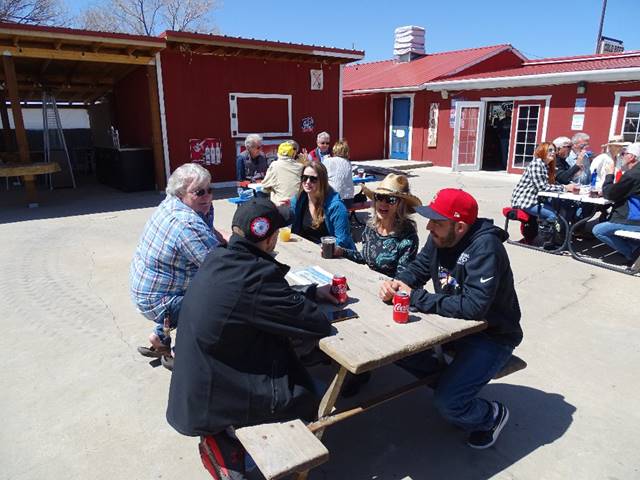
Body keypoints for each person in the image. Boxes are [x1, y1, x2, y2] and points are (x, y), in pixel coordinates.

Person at [166, 197, 337, 479]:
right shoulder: (257, 275)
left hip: (197, 384)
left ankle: (227, 437)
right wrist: (308, 300)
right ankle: (234, 448)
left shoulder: (219, 257)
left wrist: (309, 292)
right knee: (313, 395)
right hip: (215, 395)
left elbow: (260, 302)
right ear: (269, 240)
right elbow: (315, 322)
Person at [379, 188, 523, 449]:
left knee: (448, 403)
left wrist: (416, 298)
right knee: (394, 350)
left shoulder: (486, 248)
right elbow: (420, 267)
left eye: (437, 222)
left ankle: (489, 416)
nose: (429, 227)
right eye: (430, 219)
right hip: (454, 327)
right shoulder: (439, 237)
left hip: (492, 335)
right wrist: (398, 284)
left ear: (459, 227)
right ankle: (453, 380)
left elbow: (474, 307)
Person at [130, 163, 226, 367]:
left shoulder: (176, 203)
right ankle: (180, 354)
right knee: (219, 297)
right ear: (180, 193)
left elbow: (209, 233)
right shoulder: (186, 224)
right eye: (200, 192)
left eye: (210, 190)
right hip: (158, 299)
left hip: (151, 289)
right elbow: (221, 268)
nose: (208, 196)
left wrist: (225, 239)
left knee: (196, 282)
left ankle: (159, 338)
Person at [336, 173, 421, 277]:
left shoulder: (408, 236)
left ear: (400, 205)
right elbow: (364, 256)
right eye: (379, 197)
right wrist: (341, 251)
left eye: (391, 200)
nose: (383, 203)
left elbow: (402, 279)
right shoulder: (371, 226)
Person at [593, 142, 640, 269]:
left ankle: (633, 254)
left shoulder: (633, 175)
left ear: (632, 157)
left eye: (624, 154)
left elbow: (610, 194)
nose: (621, 156)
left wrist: (609, 174)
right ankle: (634, 247)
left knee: (598, 230)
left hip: (635, 220)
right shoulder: (634, 173)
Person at [290, 160, 356, 250]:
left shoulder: (336, 206)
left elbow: (342, 240)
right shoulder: (299, 199)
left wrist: (319, 247)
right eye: (304, 177)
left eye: (313, 179)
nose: (308, 182)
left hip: (332, 254)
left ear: (322, 181)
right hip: (306, 251)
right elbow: (288, 222)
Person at [511, 142, 571, 222]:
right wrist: (565, 188)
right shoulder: (537, 164)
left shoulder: (546, 165)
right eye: (550, 150)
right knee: (553, 215)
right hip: (526, 201)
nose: (553, 152)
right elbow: (542, 187)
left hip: (536, 199)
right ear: (542, 151)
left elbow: (549, 184)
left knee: (561, 208)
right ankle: (544, 233)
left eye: (554, 150)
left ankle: (560, 232)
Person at [322, 139, 355, 208]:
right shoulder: (348, 163)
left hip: (334, 199)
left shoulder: (328, 160)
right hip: (348, 200)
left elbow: (321, 175)